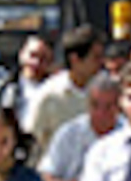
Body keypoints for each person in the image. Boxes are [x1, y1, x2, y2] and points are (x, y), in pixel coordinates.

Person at [24, 24, 105, 164]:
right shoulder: (49, 95)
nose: (101, 63)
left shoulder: (106, 91)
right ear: (75, 59)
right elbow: (33, 139)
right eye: (95, 57)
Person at [0, 35, 53, 123]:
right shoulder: (6, 89)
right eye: (33, 55)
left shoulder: (55, 90)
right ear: (21, 55)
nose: (36, 63)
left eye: (43, 58)